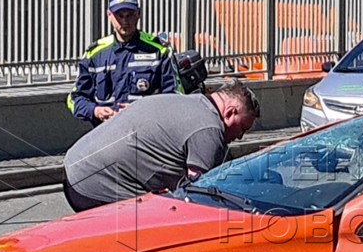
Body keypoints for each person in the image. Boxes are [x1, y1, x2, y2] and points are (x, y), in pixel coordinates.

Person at [62, 81, 259, 213]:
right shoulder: (209, 128)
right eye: (242, 127)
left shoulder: (191, 103)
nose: (240, 136)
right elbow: (200, 197)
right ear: (230, 112)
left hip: (75, 166)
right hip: (91, 185)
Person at [67, 0, 177, 135]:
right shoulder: (94, 54)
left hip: (147, 136)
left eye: (129, 15)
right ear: (109, 16)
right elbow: (74, 99)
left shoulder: (159, 51)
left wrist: (141, 112)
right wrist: (96, 111)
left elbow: (175, 98)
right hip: (104, 135)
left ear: (138, 14)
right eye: (120, 16)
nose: (125, 21)